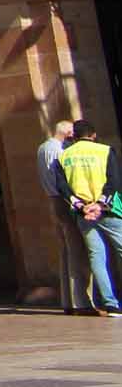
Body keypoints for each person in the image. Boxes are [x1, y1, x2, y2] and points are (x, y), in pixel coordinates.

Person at [58, 119, 122, 315]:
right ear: (93, 135)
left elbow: (62, 187)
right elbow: (115, 181)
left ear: (74, 136)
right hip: (109, 211)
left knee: (96, 256)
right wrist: (100, 204)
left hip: (83, 214)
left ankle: (110, 303)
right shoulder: (104, 151)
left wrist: (82, 206)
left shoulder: (63, 156)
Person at [42, 117, 91, 314]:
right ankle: (82, 301)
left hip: (53, 199)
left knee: (66, 250)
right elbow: (64, 178)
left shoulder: (43, 147)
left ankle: (69, 301)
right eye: (72, 133)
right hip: (64, 200)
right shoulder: (59, 150)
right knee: (77, 250)